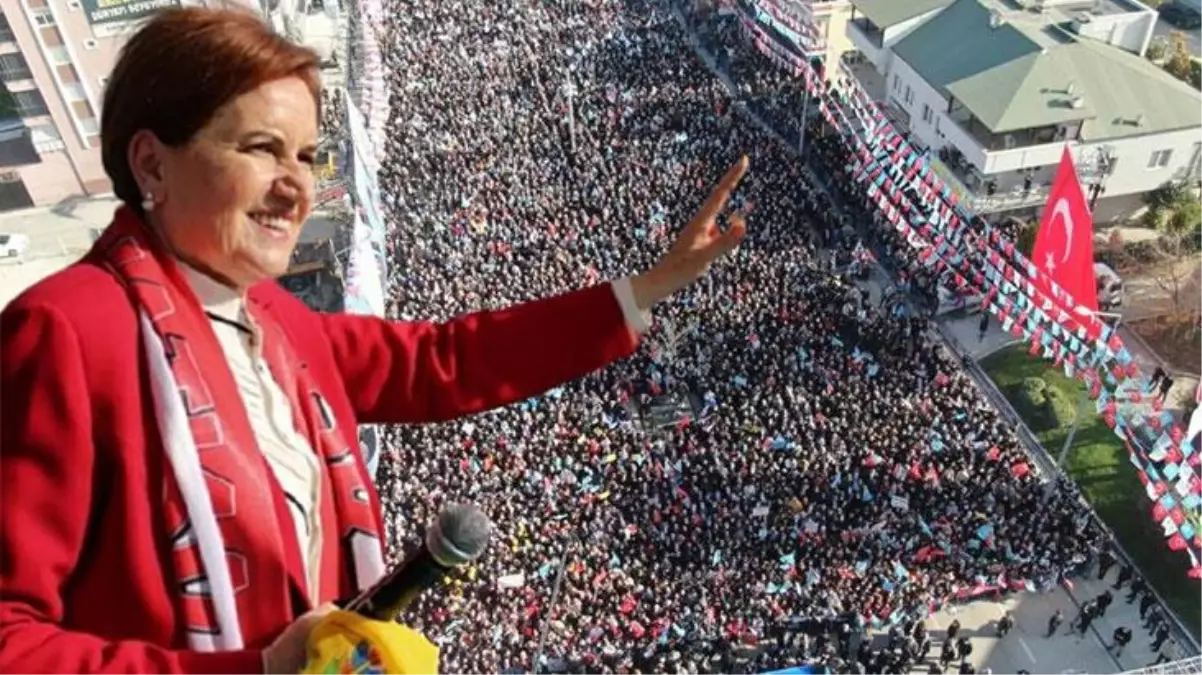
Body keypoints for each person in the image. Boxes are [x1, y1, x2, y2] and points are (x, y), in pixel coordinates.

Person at [0, 8, 749, 675]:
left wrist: (641, 291)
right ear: (151, 162)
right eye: (263, 147)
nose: (298, 185)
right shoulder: (68, 329)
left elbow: (440, 363)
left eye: (306, 155)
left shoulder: (275, 319)